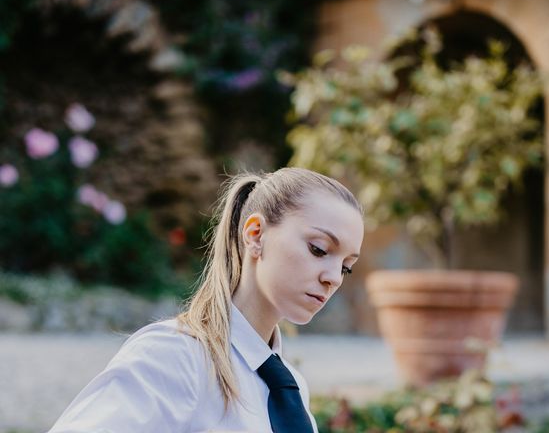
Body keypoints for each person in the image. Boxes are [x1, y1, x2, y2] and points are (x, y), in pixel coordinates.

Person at [48, 167, 365, 433]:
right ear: (255, 234)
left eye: (346, 268)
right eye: (319, 250)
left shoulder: (293, 389)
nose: (334, 278)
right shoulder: (175, 357)